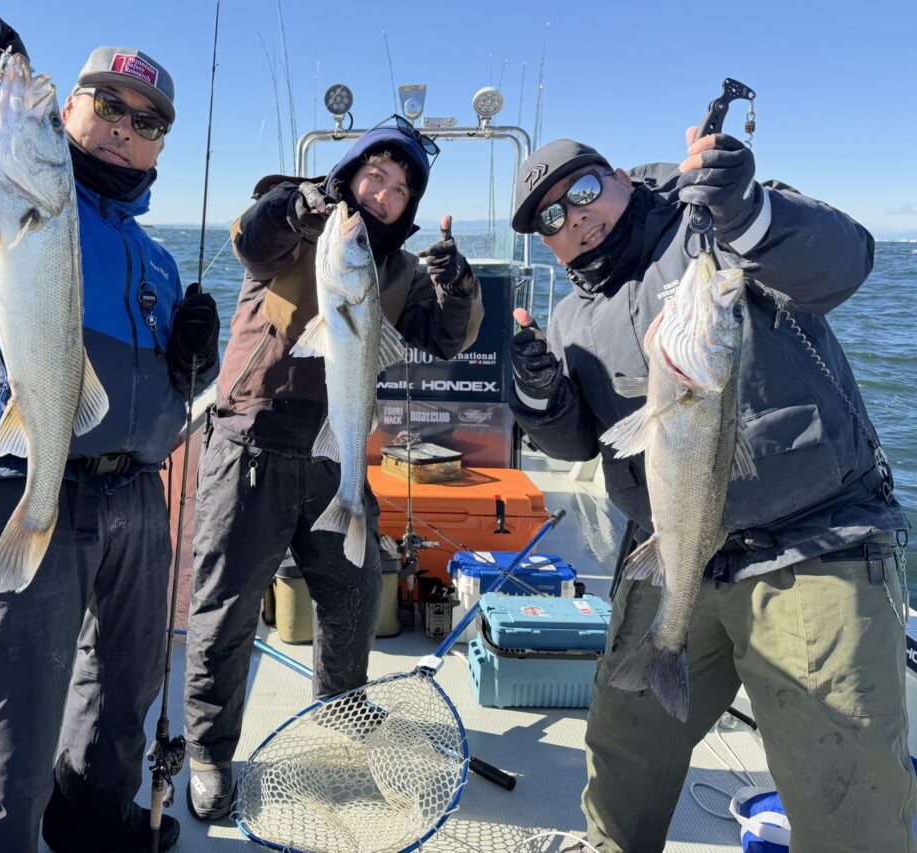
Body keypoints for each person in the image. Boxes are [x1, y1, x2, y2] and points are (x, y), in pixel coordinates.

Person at [508, 130, 914, 852]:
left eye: (584, 189)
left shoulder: (717, 227)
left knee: (846, 795)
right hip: (673, 552)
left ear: (619, 176)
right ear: (547, 243)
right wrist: (539, 397)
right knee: (621, 758)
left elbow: (844, 262)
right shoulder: (574, 315)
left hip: (811, 542)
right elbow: (582, 443)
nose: (576, 216)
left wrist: (747, 209)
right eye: (552, 217)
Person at [0, 5, 220, 851]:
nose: (122, 129)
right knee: (10, 737)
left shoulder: (156, 258)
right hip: (20, 485)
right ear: (68, 110)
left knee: (121, 703)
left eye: (146, 122)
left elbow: (159, 398)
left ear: (159, 147)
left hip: (135, 500)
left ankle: (96, 829)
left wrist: (195, 361)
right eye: (105, 105)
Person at [182, 119, 484, 819]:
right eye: (376, 176)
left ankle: (340, 710)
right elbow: (252, 240)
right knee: (225, 612)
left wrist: (458, 286)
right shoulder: (295, 225)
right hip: (250, 447)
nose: (385, 195)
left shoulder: (399, 271)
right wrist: (296, 208)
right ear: (348, 174)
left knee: (354, 598)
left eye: (401, 189)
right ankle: (209, 752)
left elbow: (444, 338)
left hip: (334, 454)